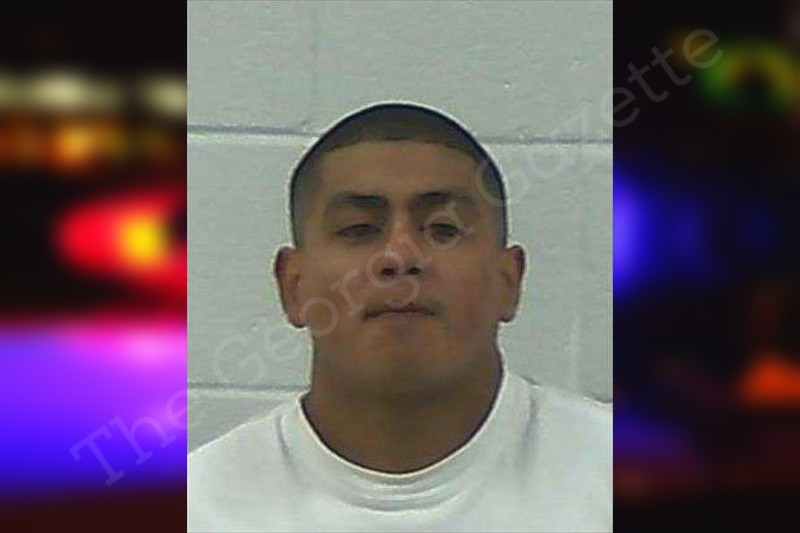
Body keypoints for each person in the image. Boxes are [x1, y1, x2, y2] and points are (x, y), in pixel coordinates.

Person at [188, 102, 611, 532]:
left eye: (444, 230)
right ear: (293, 286)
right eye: (358, 229)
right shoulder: (198, 506)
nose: (400, 256)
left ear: (509, 281)